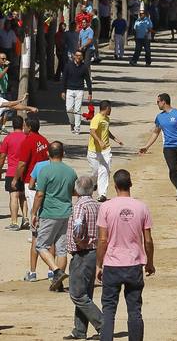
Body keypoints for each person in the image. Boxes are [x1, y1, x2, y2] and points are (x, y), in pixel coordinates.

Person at [96, 169, 155, 341]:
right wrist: (150, 262)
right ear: (130, 184)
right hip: (134, 263)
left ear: (115, 186)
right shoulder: (141, 207)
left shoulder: (106, 207)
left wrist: (99, 264)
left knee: (108, 310)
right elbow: (148, 241)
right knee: (135, 309)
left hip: (113, 264)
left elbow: (102, 240)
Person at [31, 140, 78, 292]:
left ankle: (57, 271)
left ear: (47, 153)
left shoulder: (45, 171)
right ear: (63, 153)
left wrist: (34, 213)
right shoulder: (71, 171)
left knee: (41, 245)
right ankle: (59, 284)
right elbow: (74, 191)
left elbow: (39, 194)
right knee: (61, 248)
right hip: (66, 213)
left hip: (49, 212)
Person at [139, 93, 177, 201]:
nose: (157, 103)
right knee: (173, 170)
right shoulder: (159, 117)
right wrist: (146, 146)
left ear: (164, 102)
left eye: (158, 101)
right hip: (168, 148)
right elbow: (155, 133)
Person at [64, 173, 103, 341]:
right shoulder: (96, 205)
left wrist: (79, 242)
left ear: (77, 189)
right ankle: (79, 330)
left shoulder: (80, 205)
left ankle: (103, 325)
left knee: (77, 294)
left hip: (83, 253)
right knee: (85, 293)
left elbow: (78, 226)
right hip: (94, 252)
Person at [87, 100, 124, 203]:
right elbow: (92, 131)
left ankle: (102, 194)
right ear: (107, 108)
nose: (111, 110)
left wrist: (115, 139)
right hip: (93, 150)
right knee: (95, 171)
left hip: (105, 150)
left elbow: (106, 131)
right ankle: (94, 183)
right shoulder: (96, 118)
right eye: (110, 108)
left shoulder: (107, 119)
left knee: (104, 170)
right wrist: (99, 141)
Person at [0, 113, 27, 229]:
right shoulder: (27, 137)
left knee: (14, 196)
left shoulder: (8, 138)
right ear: (22, 125)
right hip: (25, 171)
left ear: (12, 125)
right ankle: (25, 218)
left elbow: (2, 156)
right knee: (23, 196)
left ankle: (14, 222)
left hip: (12, 171)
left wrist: (0, 169)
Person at [62, 49, 93, 134]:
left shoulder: (84, 67)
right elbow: (64, 79)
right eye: (77, 55)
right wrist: (63, 91)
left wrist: (90, 93)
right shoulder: (68, 66)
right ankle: (72, 123)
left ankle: (77, 128)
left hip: (79, 90)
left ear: (82, 57)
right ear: (74, 56)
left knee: (77, 109)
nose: (78, 57)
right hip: (69, 90)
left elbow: (88, 80)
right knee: (69, 109)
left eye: (80, 55)